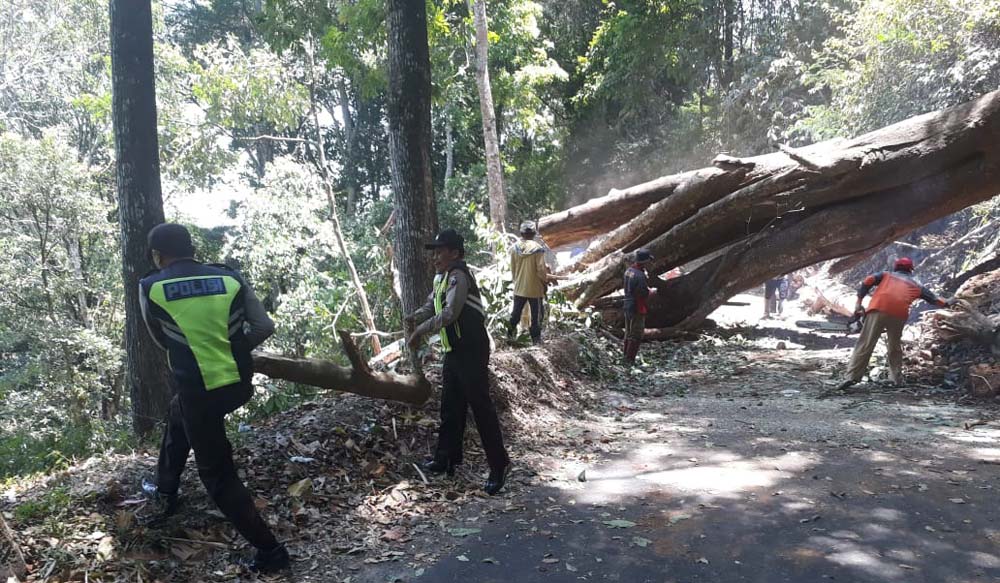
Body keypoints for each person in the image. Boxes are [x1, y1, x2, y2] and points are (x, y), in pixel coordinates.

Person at [138, 223, 289, 574]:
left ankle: (270, 552)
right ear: (193, 248)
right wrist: (236, 350)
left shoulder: (151, 286)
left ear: (158, 256)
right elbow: (265, 326)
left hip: (198, 389)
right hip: (237, 385)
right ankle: (165, 488)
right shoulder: (229, 278)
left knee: (218, 475)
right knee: (179, 413)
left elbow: (160, 340)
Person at [406, 229, 511, 495]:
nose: (436, 257)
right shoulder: (441, 278)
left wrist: (421, 331)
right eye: (434, 252)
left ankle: (499, 465)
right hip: (453, 351)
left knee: (481, 408)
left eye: (440, 251)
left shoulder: (459, 277)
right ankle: (446, 459)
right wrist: (413, 317)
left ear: (455, 253)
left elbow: (450, 312)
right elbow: (432, 306)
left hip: (472, 350)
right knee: (450, 406)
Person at [840, 257, 955, 389]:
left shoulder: (885, 275)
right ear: (910, 270)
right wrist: (950, 301)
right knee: (894, 347)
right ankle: (896, 379)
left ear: (896, 267)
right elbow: (936, 300)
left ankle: (852, 377)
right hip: (898, 316)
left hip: (878, 310)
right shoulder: (917, 285)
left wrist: (859, 302)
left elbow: (868, 280)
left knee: (865, 343)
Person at [507, 221, 548, 344]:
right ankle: (536, 340)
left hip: (519, 288)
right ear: (534, 233)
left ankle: (509, 336)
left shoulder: (514, 248)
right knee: (536, 316)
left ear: (521, 233)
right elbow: (541, 269)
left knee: (515, 314)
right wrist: (544, 283)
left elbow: (513, 269)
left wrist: (517, 281)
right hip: (535, 289)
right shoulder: (538, 249)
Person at [623, 248, 653, 365]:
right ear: (645, 262)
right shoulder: (640, 276)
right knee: (636, 334)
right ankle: (629, 361)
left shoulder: (628, 271)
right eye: (648, 261)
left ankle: (624, 357)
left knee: (628, 332)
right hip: (637, 306)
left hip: (627, 304)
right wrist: (651, 292)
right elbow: (642, 293)